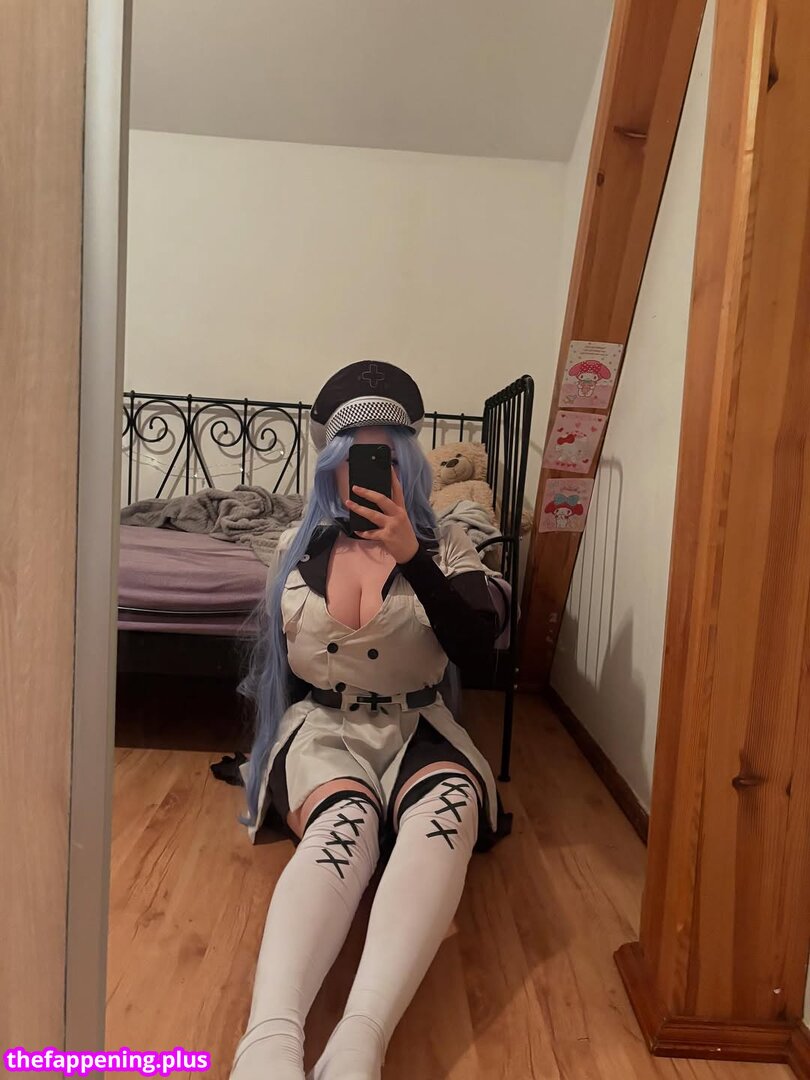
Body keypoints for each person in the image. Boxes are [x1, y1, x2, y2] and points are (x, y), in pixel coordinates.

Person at [231, 362, 507, 1080]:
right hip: (326, 731)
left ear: (407, 462)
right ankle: (268, 1040)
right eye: (353, 456)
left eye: (382, 456)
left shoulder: (449, 545)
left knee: (448, 808)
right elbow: (280, 670)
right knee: (343, 824)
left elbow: (481, 653)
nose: (367, 471)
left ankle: (362, 1038)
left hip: (421, 726)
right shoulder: (296, 547)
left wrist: (415, 558)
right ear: (332, 465)